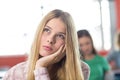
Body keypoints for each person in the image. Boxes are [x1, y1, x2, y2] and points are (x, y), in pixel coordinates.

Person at [3, 9, 90, 80]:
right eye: (47, 30)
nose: (50, 40)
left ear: (68, 43)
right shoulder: (15, 74)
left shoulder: (81, 69)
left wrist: (40, 67)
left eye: (60, 36)